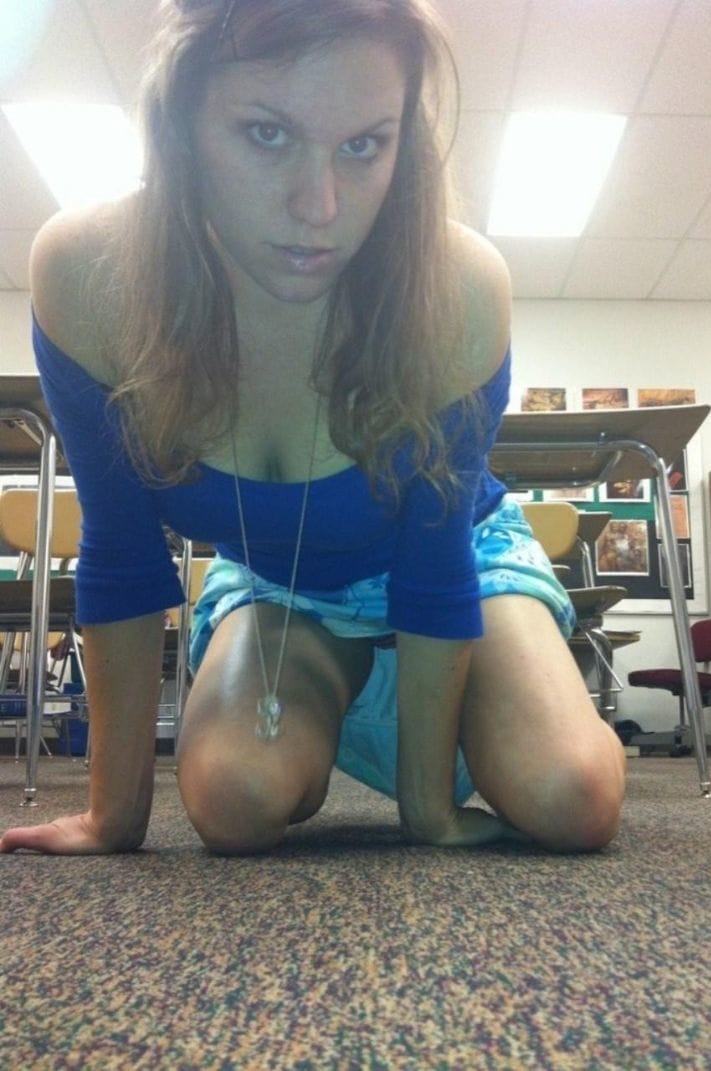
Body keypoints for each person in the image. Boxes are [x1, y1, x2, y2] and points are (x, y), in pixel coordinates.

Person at [1, 0, 625, 857]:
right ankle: (341, 692)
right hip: (277, 585)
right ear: (182, 118)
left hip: (462, 563)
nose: (319, 206)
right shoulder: (89, 277)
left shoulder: (459, 289)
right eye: (266, 133)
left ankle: (453, 721)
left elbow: (435, 557)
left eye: (363, 145)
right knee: (233, 803)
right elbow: (120, 547)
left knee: (572, 797)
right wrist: (113, 817)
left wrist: (427, 814)